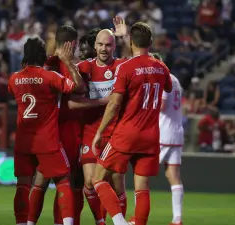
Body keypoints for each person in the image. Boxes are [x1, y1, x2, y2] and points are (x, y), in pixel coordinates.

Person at [91, 22, 172, 225]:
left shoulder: (125, 67)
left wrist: (100, 132)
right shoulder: (161, 67)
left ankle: (119, 222)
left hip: (126, 133)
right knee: (142, 187)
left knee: (98, 178)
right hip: (151, 136)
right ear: (151, 42)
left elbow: (114, 104)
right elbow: (168, 88)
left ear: (131, 42)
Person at [9, 37, 84, 225]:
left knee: (23, 185)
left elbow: (15, 91)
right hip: (47, 139)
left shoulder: (14, 78)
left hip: (24, 141)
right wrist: (66, 61)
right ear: (43, 55)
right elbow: (78, 86)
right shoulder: (51, 77)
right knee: (63, 181)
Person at [73, 17, 129, 224]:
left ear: (114, 46)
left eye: (108, 45)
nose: (104, 49)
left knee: (116, 182)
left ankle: (118, 220)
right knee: (89, 180)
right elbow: (71, 101)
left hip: (116, 131)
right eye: (100, 44)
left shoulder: (122, 66)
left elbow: (142, 59)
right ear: (94, 46)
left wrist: (125, 36)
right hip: (91, 130)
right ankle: (100, 221)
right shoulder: (83, 68)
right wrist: (101, 101)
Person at [129, 53, 184, 225]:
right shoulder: (176, 80)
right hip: (176, 132)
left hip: (162, 132)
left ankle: (137, 218)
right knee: (173, 175)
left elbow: (162, 104)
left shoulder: (162, 78)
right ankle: (177, 219)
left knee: (141, 175)